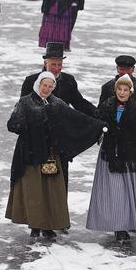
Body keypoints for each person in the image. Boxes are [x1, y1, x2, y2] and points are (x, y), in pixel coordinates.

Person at [6, 71, 106, 239]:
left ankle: (47, 226)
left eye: (50, 86)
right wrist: (19, 124)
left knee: (51, 191)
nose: (46, 89)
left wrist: (98, 125)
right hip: (30, 154)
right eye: (44, 85)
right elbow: (12, 124)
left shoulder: (56, 103)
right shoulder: (25, 102)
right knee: (34, 191)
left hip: (51, 153)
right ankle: (35, 225)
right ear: (38, 84)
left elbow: (77, 118)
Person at [86, 75, 136, 243]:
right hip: (110, 155)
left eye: (125, 90)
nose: (122, 92)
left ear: (130, 92)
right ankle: (118, 227)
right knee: (114, 192)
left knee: (128, 192)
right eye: (119, 89)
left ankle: (129, 223)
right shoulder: (106, 106)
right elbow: (94, 122)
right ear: (115, 90)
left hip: (130, 156)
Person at [20, 43, 98, 193]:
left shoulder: (68, 80)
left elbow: (79, 103)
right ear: (45, 63)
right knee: (37, 182)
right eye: (53, 64)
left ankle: (57, 213)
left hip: (61, 139)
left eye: (59, 64)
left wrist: (98, 115)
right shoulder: (31, 81)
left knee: (60, 181)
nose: (56, 68)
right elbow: (22, 109)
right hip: (37, 139)